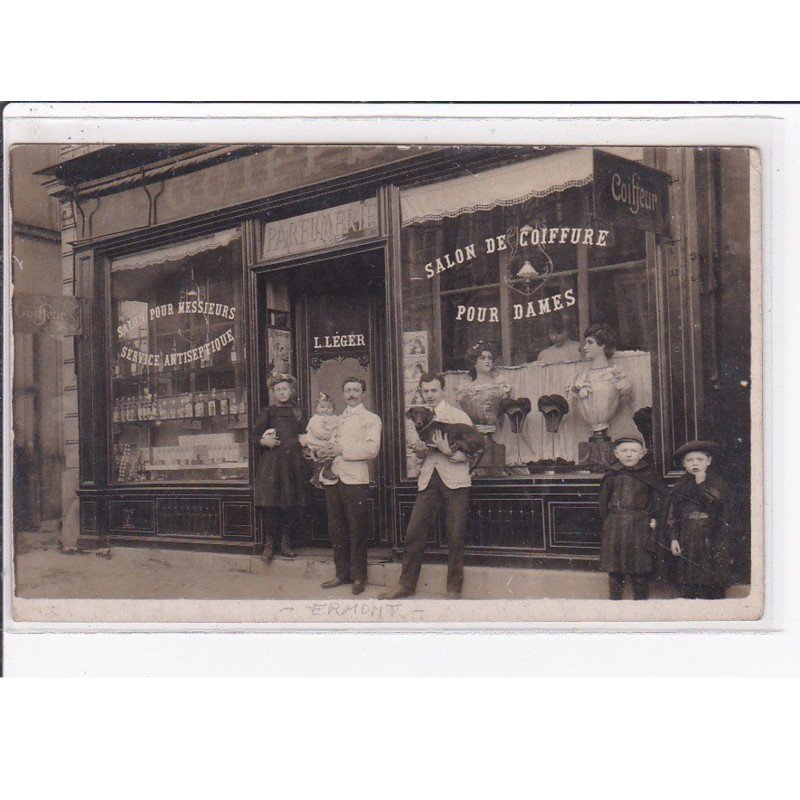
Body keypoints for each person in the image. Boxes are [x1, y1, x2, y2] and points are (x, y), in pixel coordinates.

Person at [381, 372, 474, 599]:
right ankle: (406, 585)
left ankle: (453, 589)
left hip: (456, 480)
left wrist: (458, 454)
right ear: (420, 392)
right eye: (426, 391)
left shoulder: (457, 415)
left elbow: (476, 448)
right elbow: (426, 450)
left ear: (443, 391)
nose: (430, 395)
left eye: (434, 390)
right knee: (414, 532)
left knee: (455, 535)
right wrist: (421, 451)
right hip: (429, 479)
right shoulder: (419, 415)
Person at [315, 378, 382, 595]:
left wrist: (340, 450)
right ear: (343, 394)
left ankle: (359, 576)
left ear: (363, 392)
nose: (351, 394)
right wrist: (320, 452)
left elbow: (372, 450)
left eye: (355, 390)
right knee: (336, 528)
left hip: (355, 480)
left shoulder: (371, 419)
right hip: (333, 479)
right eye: (347, 390)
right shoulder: (336, 419)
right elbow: (326, 444)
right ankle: (341, 574)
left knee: (357, 529)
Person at [598, 434, 668, 600]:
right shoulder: (611, 475)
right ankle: (615, 603)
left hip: (641, 525)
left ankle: (640, 605)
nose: (629, 454)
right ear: (616, 454)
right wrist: (608, 522)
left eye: (633, 450)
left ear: (642, 453)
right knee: (614, 570)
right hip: (615, 526)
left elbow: (659, 500)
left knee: (640, 569)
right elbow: (603, 502)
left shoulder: (650, 475)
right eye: (624, 450)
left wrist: (654, 518)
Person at [664, 440, 734, 599]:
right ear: (683, 463)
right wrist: (674, 538)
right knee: (688, 575)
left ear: (709, 461)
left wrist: (701, 483)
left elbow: (716, 506)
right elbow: (672, 514)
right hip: (688, 535)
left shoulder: (717, 482)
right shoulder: (680, 486)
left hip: (711, 535)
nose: (695, 463)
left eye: (700, 459)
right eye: (689, 460)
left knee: (710, 574)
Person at [252, 373, 309, 562]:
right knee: (271, 504)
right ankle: (269, 544)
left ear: (291, 390)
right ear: (273, 392)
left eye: (285, 389)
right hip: (272, 465)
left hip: (292, 463)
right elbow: (254, 437)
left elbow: (305, 434)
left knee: (289, 503)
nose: (282, 392)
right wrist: (264, 441)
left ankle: (285, 542)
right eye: (278, 390)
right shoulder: (268, 412)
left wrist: (306, 444)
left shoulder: (298, 412)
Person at [300, 392, 341, 489]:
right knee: (324, 455)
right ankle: (323, 472)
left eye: (329, 407)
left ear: (333, 409)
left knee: (331, 454)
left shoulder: (334, 419)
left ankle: (317, 476)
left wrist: (333, 437)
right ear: (317, 409)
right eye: (322, 407)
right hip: (317, 440)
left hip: (328, 440)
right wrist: (326, 435)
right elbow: (317, 431)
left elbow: (337, 429)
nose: (325, 409)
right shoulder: (316, 419)